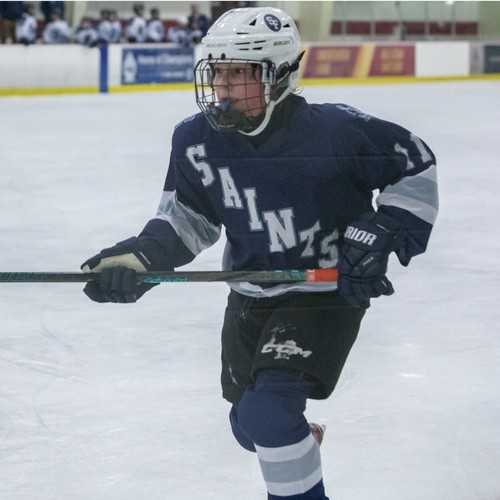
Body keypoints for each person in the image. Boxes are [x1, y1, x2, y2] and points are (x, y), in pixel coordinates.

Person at [81, 7, 438, 500]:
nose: (222, 87)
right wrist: (141, 259)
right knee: (248, 428)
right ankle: (295, 437)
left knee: (268, 414)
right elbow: (188, 219)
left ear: (281, 76)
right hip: (249, 293)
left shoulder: (336, 132)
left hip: (323, 293)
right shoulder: (195, 140)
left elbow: (414, 164)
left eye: (239, 74)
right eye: (217, 72)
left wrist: (382, 230)